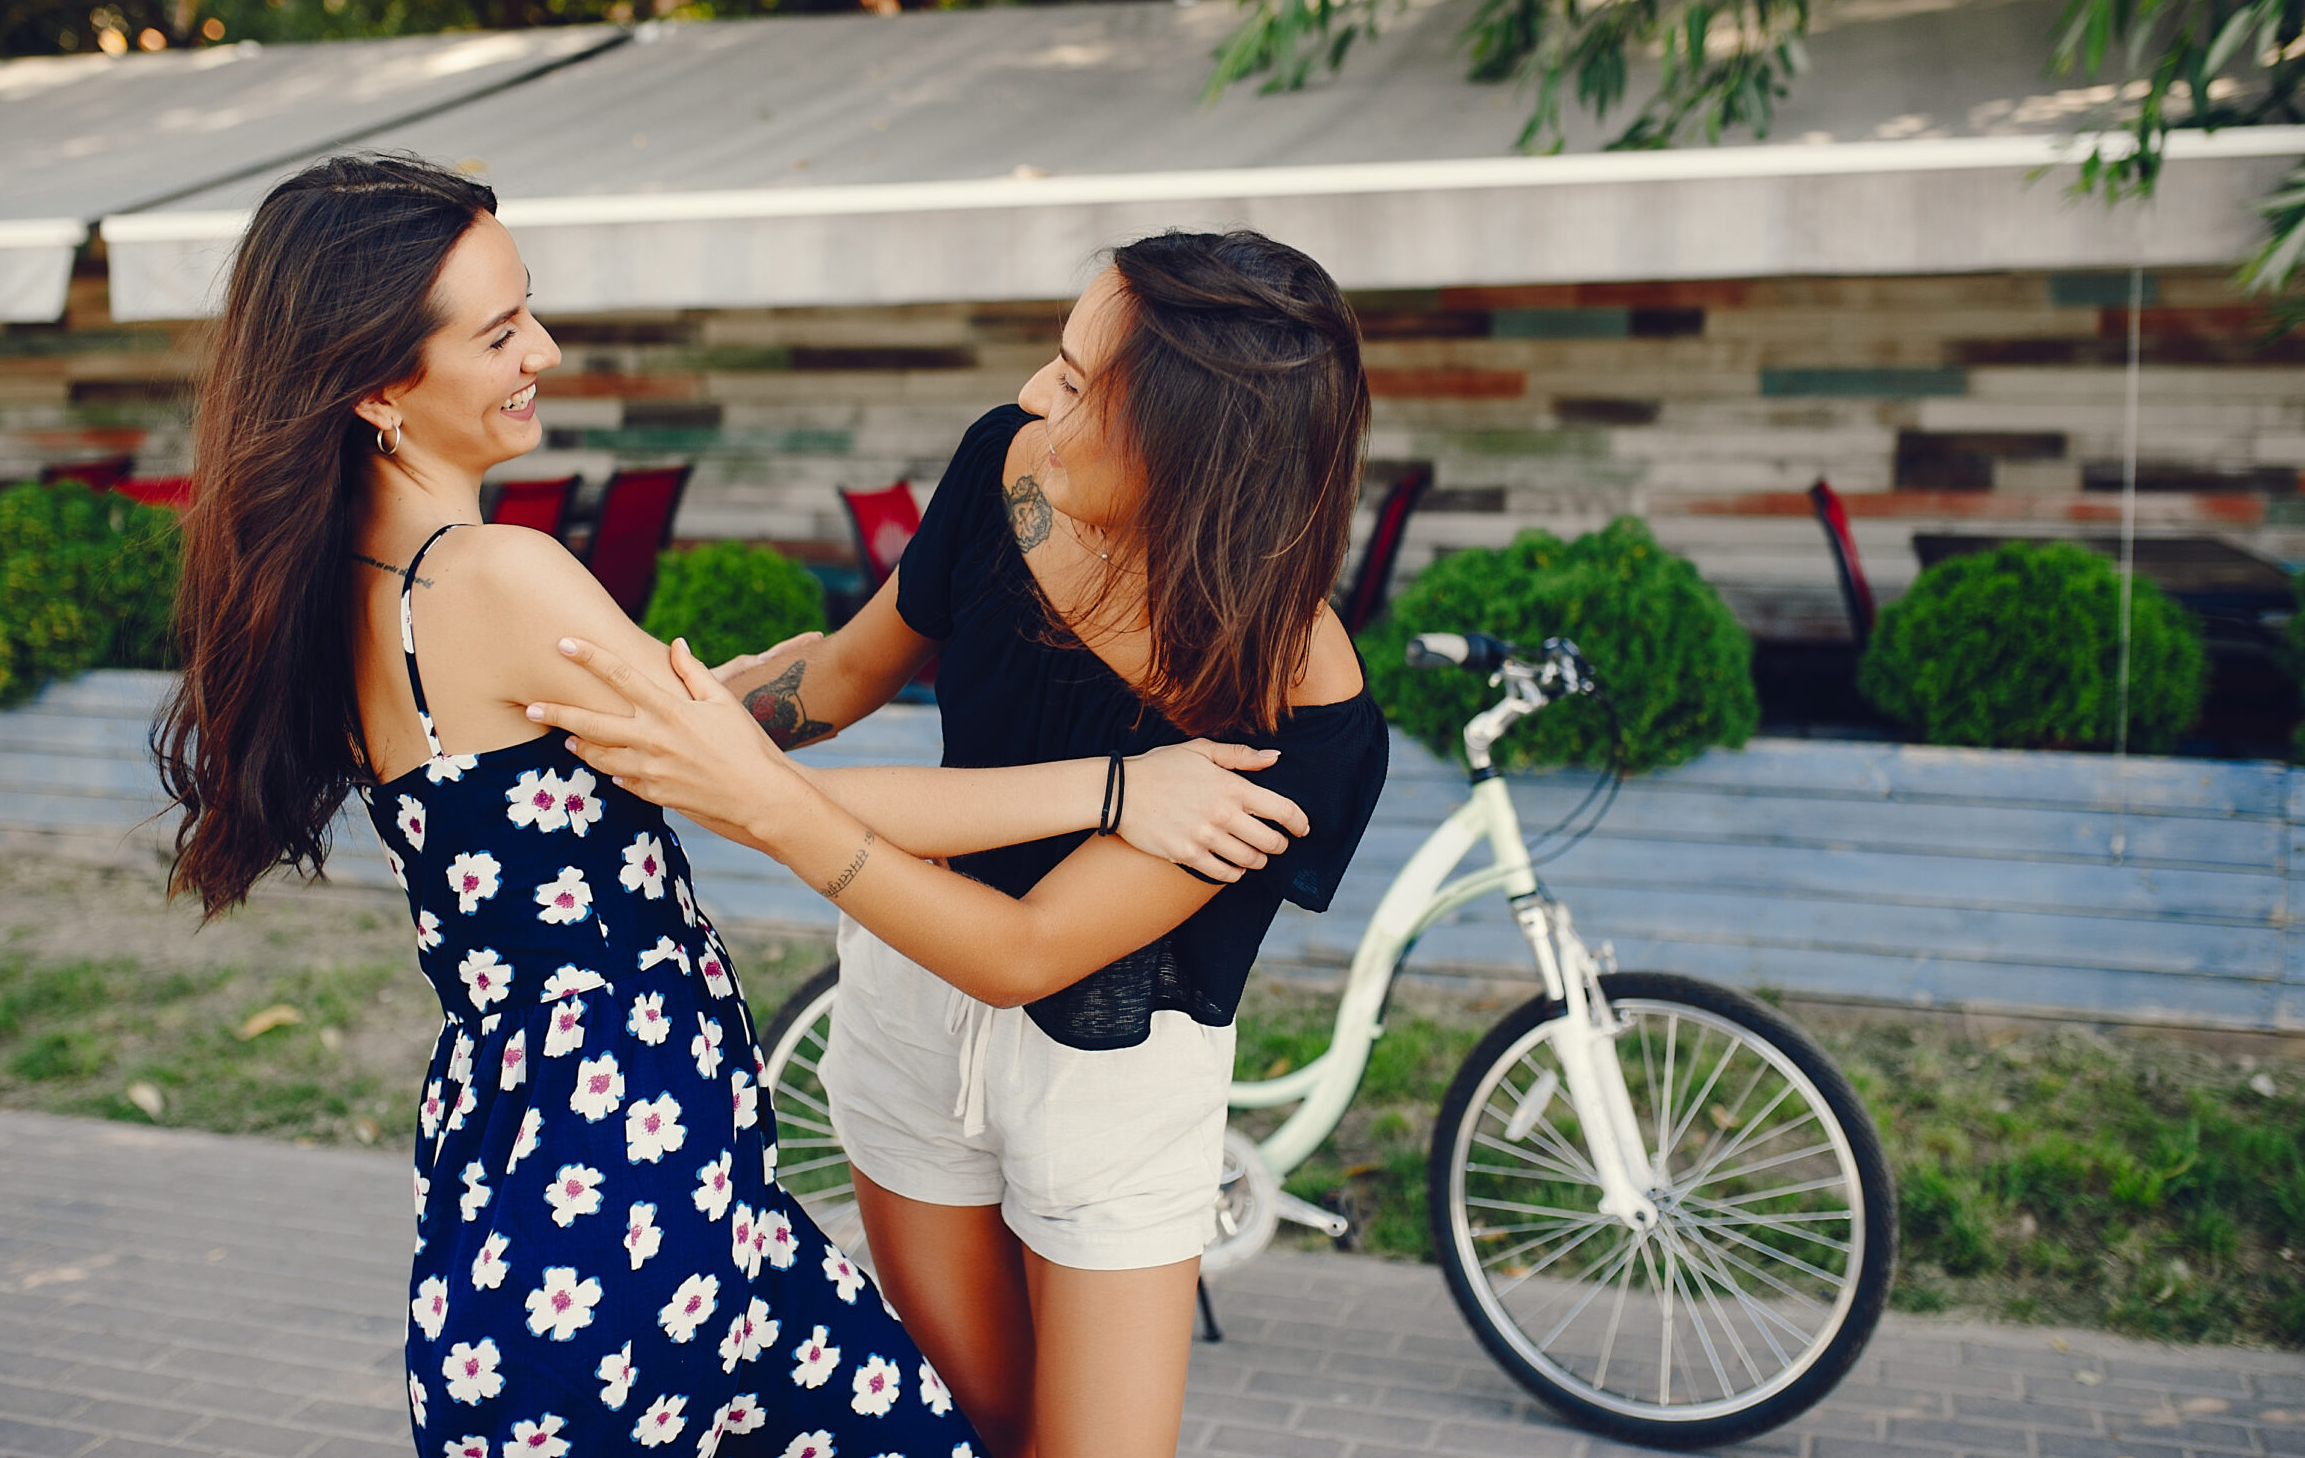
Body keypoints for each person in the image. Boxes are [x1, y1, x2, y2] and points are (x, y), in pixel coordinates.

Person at [151, 156, 1314, 1455]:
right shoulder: (498, 576)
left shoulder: (363, 574)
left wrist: (756, 690)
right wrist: (1117, 786)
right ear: (376, 384)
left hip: (549, 1143)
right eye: (498, 332)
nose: (541, 345)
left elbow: (731, 709)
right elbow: (748, 779)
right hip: (634, 1161)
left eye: (526, 305)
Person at [529, 229, 1392, 1458]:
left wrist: (753, 797)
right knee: (961, 1434)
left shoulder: (1290, 695)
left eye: (1083, 385)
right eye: (1057, 357)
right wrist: (692, 711)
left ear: (1195, 454)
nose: (1041, 397)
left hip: (1105, 1074)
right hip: (906, 1005)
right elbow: (836, 676)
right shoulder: (1009, 467)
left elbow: (1028, 950)